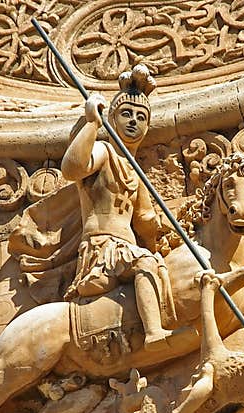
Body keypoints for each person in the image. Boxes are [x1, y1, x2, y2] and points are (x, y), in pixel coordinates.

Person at [60, 63, 193, 352]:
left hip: (126, 248)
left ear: (147, 127)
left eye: (140, 117)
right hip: (103, 249)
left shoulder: (135, 172)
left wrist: (176, 228)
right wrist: (91, 123)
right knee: (145, 262)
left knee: (156, 263)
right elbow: (72, 168)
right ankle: (154, 333)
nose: (133, 120)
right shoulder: (104, 152)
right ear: (113, 118)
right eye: (126, 114)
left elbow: (145, 219)